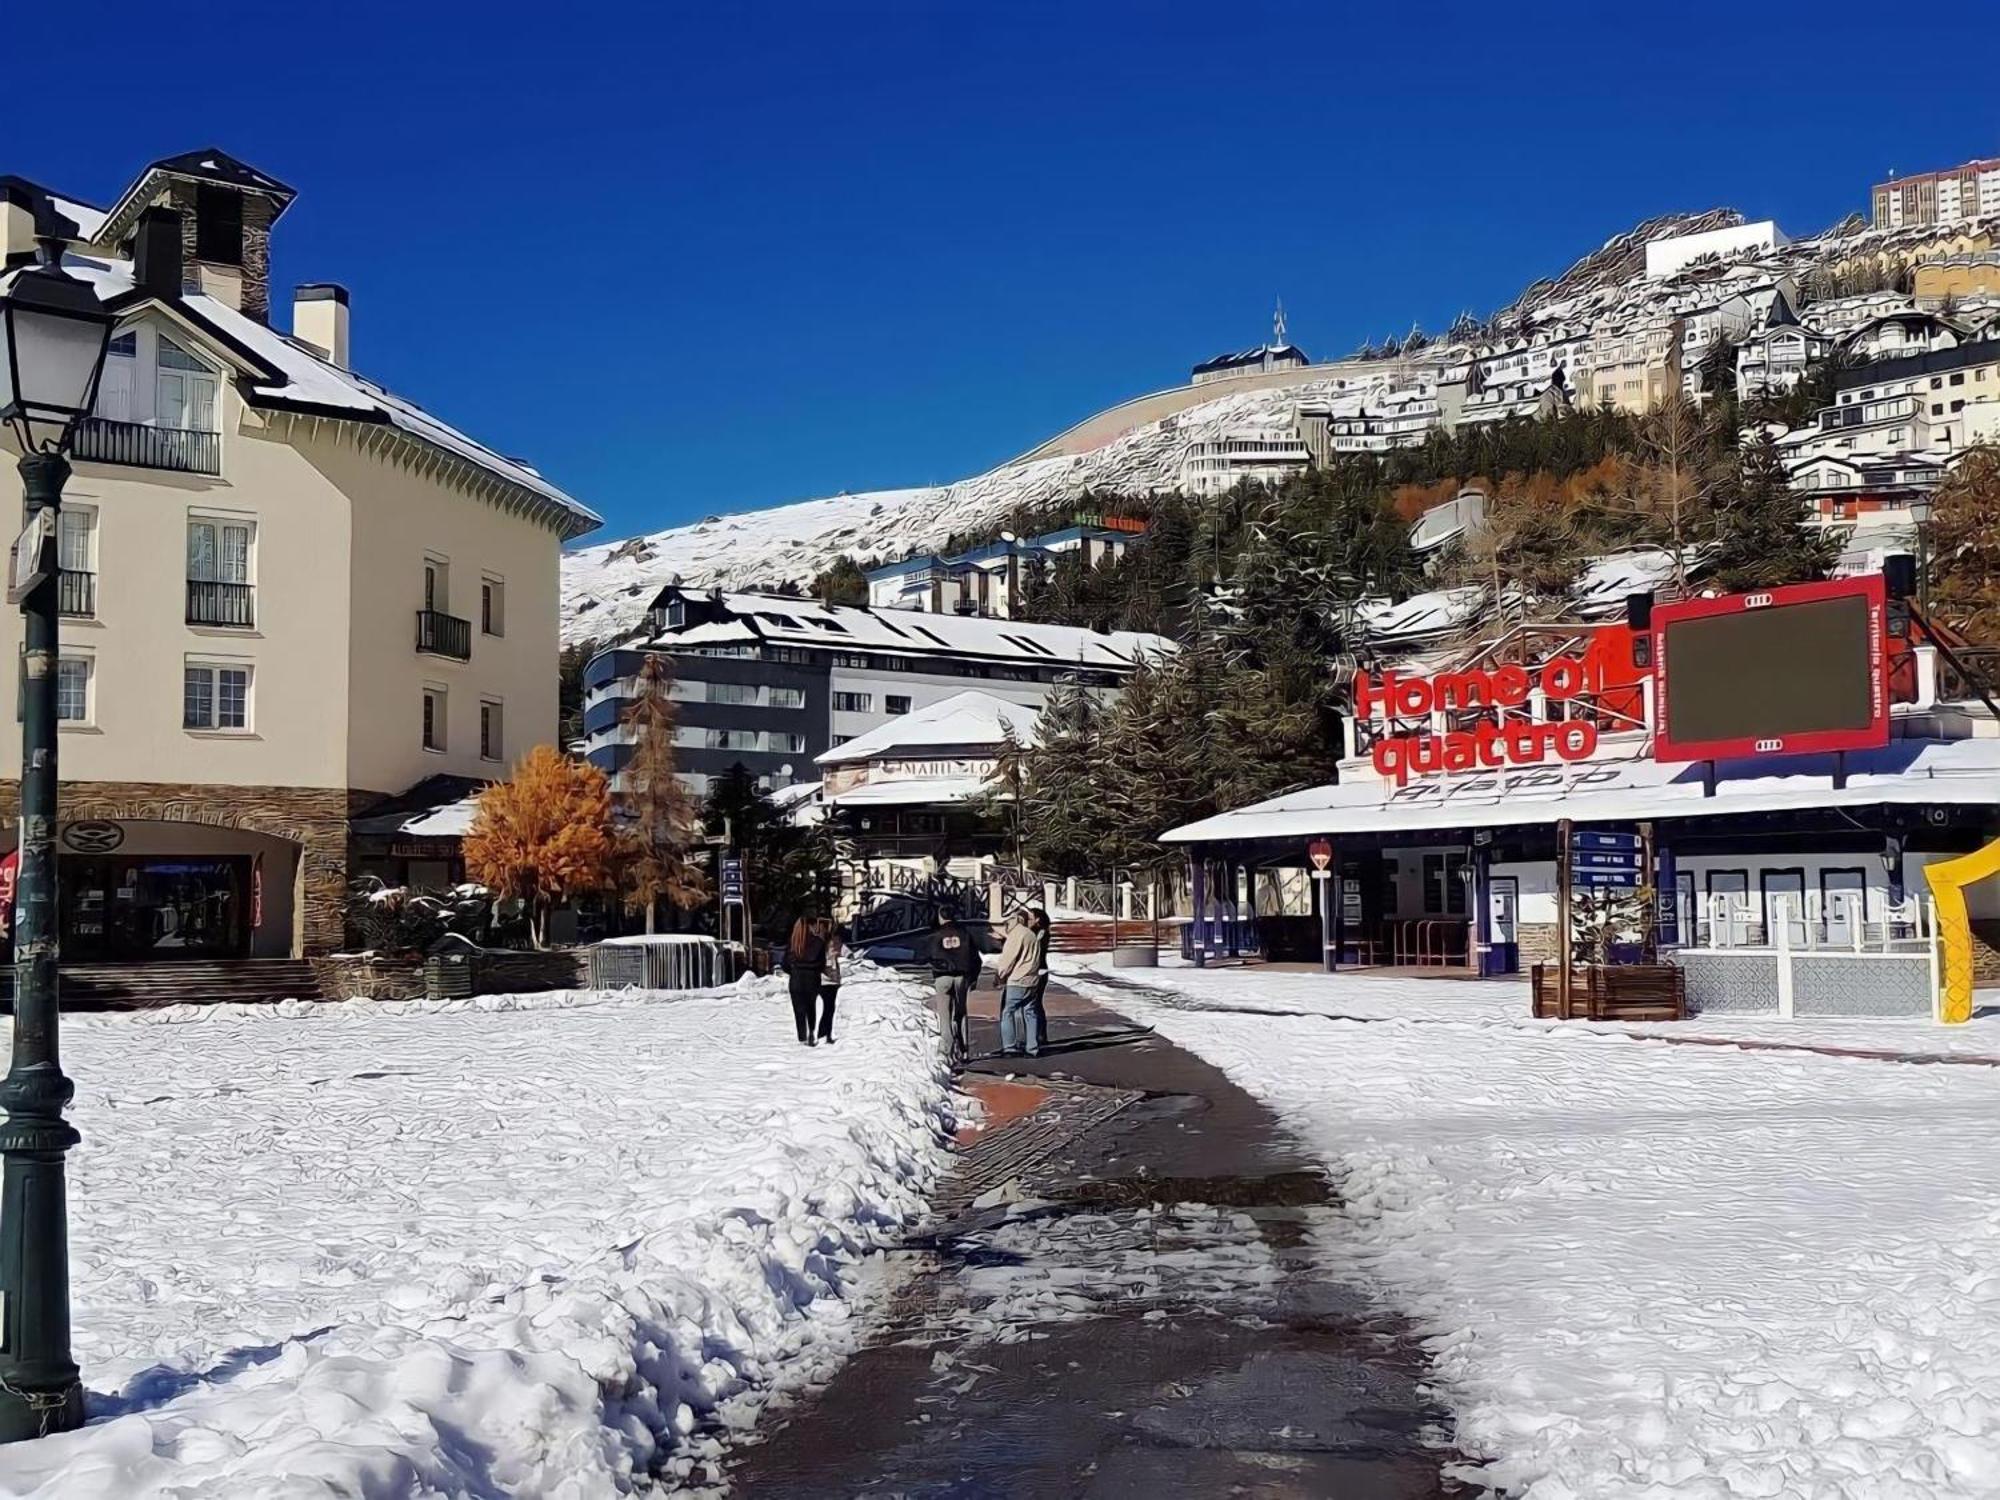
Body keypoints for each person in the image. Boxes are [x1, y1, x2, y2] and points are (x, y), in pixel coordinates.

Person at [924, 907, 981, 1068]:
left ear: (940, 917)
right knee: (961, 1013)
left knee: (945, 1015)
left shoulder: (936, 934)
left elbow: (925, 955)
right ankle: (964, 1049)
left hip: (942, 977)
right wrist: (973, 977)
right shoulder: (964, 933)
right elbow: (976, 958)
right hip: (961, 977)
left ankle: (947, 1050)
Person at [992, 908, 1048, 1058]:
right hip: (1032, 979)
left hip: (1017, 980)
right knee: (1030, 1013)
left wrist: (1000, 974)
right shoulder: (1031, 935)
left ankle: (1009, 1047)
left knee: (1008, 1012)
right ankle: (1032, 1047)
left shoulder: (1017, 934)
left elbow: (1009, 958)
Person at [785, 915, 828, 1046]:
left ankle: (802, 1038)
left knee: (799, 1011)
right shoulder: (819, 942)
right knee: (811, 1007)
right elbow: (822, 964)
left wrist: (794, 971)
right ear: (809, 926)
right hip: (812, 979)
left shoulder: (793, 943)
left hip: (796, 979)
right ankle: (812, 1033)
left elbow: (784, 964)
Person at [1026, 907, 1054, 1049]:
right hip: (1035, 970)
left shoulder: (1041, 933)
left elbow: (1036, 949)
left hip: (1039, 970)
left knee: (1035, 1003)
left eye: (1030, 917)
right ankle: (1037, 1034)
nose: (1028, 920)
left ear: (1037, 919)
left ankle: (1040, 1035)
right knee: (1035, 1004)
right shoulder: (1034, 932)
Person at [816, 919, 844, 1045]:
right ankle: (824, 1034)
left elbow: (844, 953)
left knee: (829, 1008)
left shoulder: (823, 941)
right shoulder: (823, 943)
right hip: (826, 980)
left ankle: (825, 1034)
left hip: (831, 980)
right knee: (828, 1008)